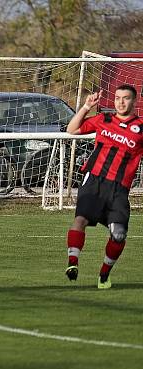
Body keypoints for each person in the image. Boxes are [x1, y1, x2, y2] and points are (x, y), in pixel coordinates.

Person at [64, 85, 143, 289]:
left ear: (135, 101)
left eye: (126, 98)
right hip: (94, 181)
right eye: (117, 98)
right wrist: (86, 107)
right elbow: (71, 130)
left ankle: (104, 274)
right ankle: (73, 263)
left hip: (119, 188)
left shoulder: (141, 127)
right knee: (80, 220)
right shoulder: (104, 120)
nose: (121, 102)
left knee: (118, 234)